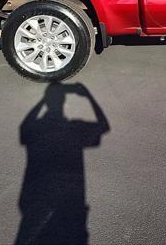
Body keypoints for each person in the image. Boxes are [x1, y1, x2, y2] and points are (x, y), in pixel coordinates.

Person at [14, 82, 109, 245]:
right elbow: (104, 126)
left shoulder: (37, 128)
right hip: (68, 199)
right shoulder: (75, 129)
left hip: (38, 196)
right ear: (64, 103)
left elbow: (25, 125)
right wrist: (89, 97)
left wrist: (43, 100)